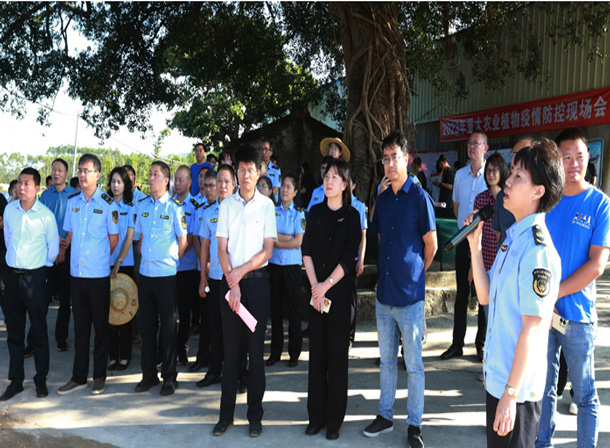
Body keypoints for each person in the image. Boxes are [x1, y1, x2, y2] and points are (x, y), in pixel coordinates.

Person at [468, 139, 563, 447]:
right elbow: (484, 297)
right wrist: (475, 247)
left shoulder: (537, 251)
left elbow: (532, 331)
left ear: (539, 192)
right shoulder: (513, 239)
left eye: (518, 176)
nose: (507, 180)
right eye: (512, 173)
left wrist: (510, 395)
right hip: (498, 380)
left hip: (517, 392)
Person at [536, 128, 610, 448]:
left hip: (577, 316)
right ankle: (541, 443)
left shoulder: (599, 204)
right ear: (557, 160)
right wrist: (542, 297)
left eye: (579, 156)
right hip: (542, 312)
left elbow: (596, 265)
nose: (573, 164)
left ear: (588, 157)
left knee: (585, 393)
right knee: (543, 387)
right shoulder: (547, 200)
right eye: (566, 157)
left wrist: (556, 293)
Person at [362, 131, 437, 448]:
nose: (389, 163)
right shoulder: (382, 199)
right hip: (384, 296)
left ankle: (414, 424)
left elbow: (430, 245)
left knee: (415, 365)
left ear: (407, 159)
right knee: (387, 361)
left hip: (410, 298)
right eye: (385, 157)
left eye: (395, 157)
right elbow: (380, 239)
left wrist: (415, 275)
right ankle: (385, 415)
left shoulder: (419, 198)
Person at [213, 144, 277, 438]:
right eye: (241, 170)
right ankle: (226, 416)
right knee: (231, 352)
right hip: (231, 287)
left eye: (251, 170)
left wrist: (241, 273)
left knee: (254, 352)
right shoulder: (226, 205)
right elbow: (221, 249)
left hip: (258, 285)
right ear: (236, 172)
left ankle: (255, 416)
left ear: (259, 171)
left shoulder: (266, 206)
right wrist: (233, 280)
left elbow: (267, 251)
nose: (246, 174)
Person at [302, 158, 361, 441]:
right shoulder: (314, 213)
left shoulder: (352, 216)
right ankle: (316, 417)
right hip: (317, 295)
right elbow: (307, 251)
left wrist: (325, 285)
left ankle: (335, 420)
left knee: (337, 358)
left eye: (336, 177)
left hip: (338, 294)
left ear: (345, 184)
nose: (329, 180)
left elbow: (350, 257)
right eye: (327, 175)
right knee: (317, 357)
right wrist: (315, 287)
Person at [58, 154, 119, 396]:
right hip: (77, 275)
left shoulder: (107, 204)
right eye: (80, 170)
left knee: (100, 328)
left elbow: (113, 240)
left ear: (97, 175)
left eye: (87, 171)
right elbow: (70, 234)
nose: (82, 175)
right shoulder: (72, 202)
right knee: (80, 328)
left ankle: (99, 376)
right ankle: (79, 376)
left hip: (98, 276)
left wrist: (99, 258)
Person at [0, 168, 59, 401]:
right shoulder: (9, 210)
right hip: (12, 280)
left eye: (27, 184)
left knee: (38, 332)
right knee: (14, 332)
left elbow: (53, 250)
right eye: (20, 183)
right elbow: (8, 242)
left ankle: (41, 381)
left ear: (37, 188)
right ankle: (15, 381)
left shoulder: (45, 216)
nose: (21, 187)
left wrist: (36, 267)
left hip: (35, 279)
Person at [134, 161, 187, 396]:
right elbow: (139, 238)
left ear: (167, 181)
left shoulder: (175, 208)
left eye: (156, 174)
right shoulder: (142, 205)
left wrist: (171, 261)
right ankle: (148, 375)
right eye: (150, 174)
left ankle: (169, 376)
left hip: (166, 276)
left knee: (167, 328)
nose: (151, 177)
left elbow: (183, 240)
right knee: (146, 327)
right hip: (145, 275)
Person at [441, 130, 488, 361]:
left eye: (476, 143)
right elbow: (457, 208)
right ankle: (456, 344)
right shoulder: (459, 175)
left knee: (482, 296)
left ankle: (481, 345)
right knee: (461, 295)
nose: (472, 147)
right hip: (463, 241)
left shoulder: (491, 175)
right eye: (470, 143)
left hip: (483, 244)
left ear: (485, 148)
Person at [470, 153, 509, 364]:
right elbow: (475, 232)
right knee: (486, 312)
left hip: (505, 264)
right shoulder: (481, 199)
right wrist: (472, 265)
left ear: (503, 172)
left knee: (502, 315)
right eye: (488, 170)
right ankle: (487, 358)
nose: (491, 174)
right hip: (484, 263)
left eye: (495, 170)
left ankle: (498, 360)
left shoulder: (510, 198)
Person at [196, 166, 232, 386]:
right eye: (219, 182)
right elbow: (204, 246)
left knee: (237, 329)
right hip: (215, 279)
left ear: (234, 184)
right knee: (215, 327)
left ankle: (239, 373)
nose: (222, 186)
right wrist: (203, 277)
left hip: (236, 279)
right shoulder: (208, 213)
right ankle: (214, 371)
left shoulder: (240, 210)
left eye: (227, 182)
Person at [40, 158, 79, 353]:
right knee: (42, 297)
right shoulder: (45, 196)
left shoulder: (75, 195)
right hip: (47, 251)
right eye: (53, 170)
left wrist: (63, 247)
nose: (56, 173)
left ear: (66, 173)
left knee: (65, 298)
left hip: (68, 249)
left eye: (60, 170)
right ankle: (35, 339)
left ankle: (61, 338)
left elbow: (77, 223)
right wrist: (53, 247)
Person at [267, 173, 305, 368]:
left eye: (289, 187)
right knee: (275, 311)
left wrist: (278, 240)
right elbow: (268, 236)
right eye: (283, 186)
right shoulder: (272, 211)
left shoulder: (299, 213)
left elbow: (298, 241)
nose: (284, 190)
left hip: (291, 268)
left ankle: (294, 353)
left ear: (295, 191)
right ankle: (275, 352)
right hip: (274, 267)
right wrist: (286, 239)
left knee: (293, 311)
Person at [107, 167, 138, 372]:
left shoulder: (131, 207)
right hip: (105, 264)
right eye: (113, 181)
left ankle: (125, 355)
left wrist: (118, 261)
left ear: (125, 185)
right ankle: (112, 355)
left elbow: (129, 238)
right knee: (109, 312)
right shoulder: (104, 205)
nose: (116, 185)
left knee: (124, 310)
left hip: (124, 264)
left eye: (119, 182)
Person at [172, 165, 203, 365]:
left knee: (185, 313)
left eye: (181, 180)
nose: (177, 183)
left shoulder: (194, 207)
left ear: (189, 183)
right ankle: (166, 350)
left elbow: (191, 238)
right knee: (168, 314)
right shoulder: (169, 204)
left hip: (187, 268)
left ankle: (182, 350)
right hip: (169, 268)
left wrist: (176, 256)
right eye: (175, 179)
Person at [492, 138, 533, 246]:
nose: (516, 158)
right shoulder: (502, 195)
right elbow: (499, 235)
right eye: (514, 154)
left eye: (522, 153)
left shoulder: (541, 199)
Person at [349, 170, 368, 346]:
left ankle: (349, 336)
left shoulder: (359, 206)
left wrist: (361, 260)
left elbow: (363, 236)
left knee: (351, 300)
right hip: (334, 261)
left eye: (349, 182)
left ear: (354, 186)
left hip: (352, 259)